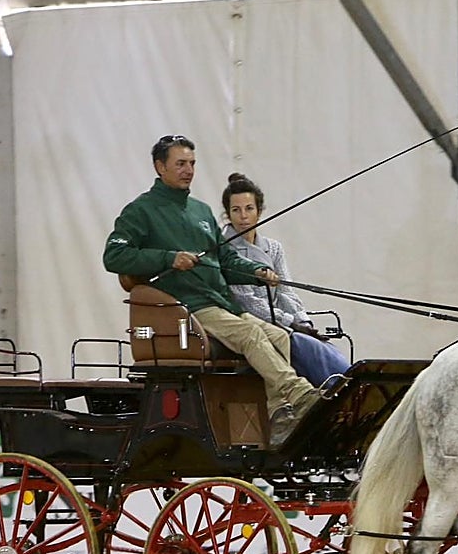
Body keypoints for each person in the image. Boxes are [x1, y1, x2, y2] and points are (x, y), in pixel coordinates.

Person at [103, 134, 318, 445]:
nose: (188, 170)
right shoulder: (141, 211)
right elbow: (114, 256)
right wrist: (168, 258)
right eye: (180, 163)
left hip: (221, 303)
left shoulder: (201, 211)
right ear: (160, 166)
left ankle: (278, 414)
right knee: (251, 335)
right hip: (188, 306)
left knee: (279, 335)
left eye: (191, 163)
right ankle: (298, 392)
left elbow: (226, 257)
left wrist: (257, 272)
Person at [220, 172, 352, 388]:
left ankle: (349, 385)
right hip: (252, 320)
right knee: (305, 347)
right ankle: (335, 391)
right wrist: (290, 324)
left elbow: (286, 291)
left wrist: (303, 321)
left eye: (249, 209)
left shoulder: (273, 248)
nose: (243, 216)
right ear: (228, 214)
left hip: (283, 320)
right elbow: (247, 302)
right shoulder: (227, 250)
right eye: (236, 210)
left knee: (324, 345)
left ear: (259, 211)